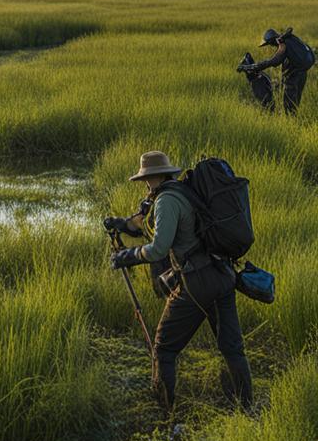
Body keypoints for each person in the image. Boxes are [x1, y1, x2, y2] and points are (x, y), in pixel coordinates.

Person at [108, 151, 252, 410]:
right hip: (222, 274)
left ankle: (165, 412)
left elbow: (158, 249)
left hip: (196, 282)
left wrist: (127, 256)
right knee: (232, 348)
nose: (145, 184)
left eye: (145, 179)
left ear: (151, 177)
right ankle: (246, 409)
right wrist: (121, 224)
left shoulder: (166, 201)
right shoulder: (184, 192)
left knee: (163, 348)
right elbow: (147, 226)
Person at [247, 27, 314, 115]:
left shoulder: (283, 44)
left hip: (293, 78)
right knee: (295, 101)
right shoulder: (291, 39)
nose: (271, 46)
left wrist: (255, 67)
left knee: (289, 106)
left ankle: (290, 124)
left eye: (270, 44)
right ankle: (293, 121)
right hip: (302, 73)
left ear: (272, 41)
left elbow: (274, 61)